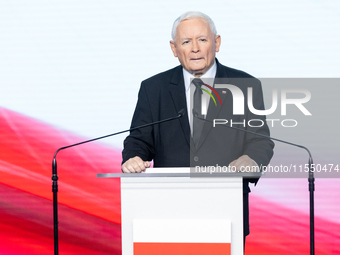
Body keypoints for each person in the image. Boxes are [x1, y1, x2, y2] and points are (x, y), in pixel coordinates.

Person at [121, 11, 274, 240]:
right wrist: (132, 157)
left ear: (217, 42)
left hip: (226, 207)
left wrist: (251, 159)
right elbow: (139, 140)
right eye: (186, 42)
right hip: (166, 211)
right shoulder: (154, 88)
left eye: (202, 40)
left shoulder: (245, 85)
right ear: (174, 49)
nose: (195, 48)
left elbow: (260, 140)